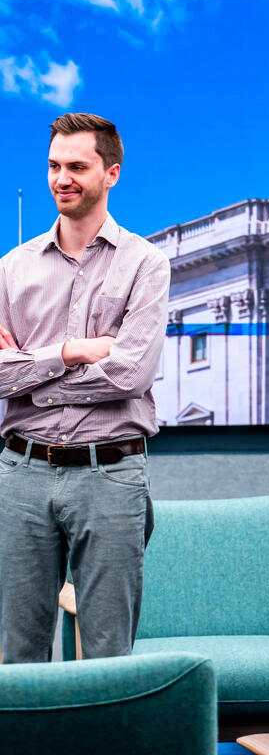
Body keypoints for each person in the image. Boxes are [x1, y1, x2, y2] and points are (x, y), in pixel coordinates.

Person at [0, 112, 170, 663]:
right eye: (53, 166)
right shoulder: (10, 269)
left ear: (111, 173)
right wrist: (69, 353)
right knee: (17, 653)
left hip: (111, 474)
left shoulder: (147, 264)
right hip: (20, 475)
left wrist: (30, 377)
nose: (61, 179)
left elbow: (131, 373)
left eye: (77, 166)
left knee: (107, 653)